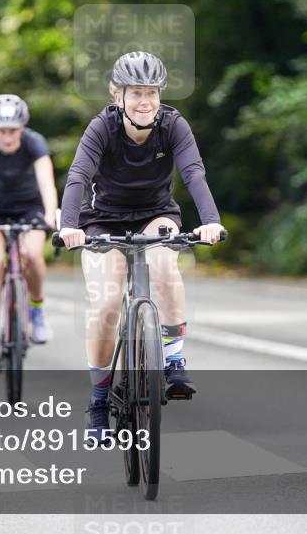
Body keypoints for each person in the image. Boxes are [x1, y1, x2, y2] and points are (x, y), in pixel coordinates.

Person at [57, 51, 226, 439]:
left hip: (157, 214)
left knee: (165, 265)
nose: (145, 101)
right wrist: (69, 227)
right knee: (105, 304)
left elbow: (194, 173)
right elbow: (78, 175)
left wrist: (211, 222)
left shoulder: (173, 125)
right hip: (102, 221)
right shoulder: (102, 127)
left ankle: (173, 361)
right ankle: (99, 400)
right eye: (136, 93)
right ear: (119, 97)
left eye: (152, 92)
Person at [0, 94, 58, 372]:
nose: (7, 137)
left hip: (29, 208)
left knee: (32, 255)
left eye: (13, 130)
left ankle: (37, 309)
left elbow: (47, 184)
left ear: (22, 128)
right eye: (1, 130)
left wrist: (52, 213)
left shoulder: (34, 143)